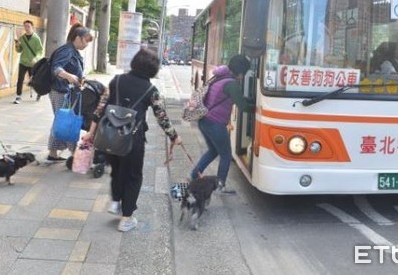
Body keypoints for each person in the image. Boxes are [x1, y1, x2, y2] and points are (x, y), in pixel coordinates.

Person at [83, 48, 183, 232]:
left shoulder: (116, 80)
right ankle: (126, 218)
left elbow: (100, 108)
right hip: (132, 140)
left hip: (110, 136)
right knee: (133, 176)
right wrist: (174, 137)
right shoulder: (151, 90)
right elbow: (161, 116)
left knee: (117, 170)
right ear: (152, 69)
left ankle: (115, 202)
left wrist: (90, 133)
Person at [189, 54, 255, 193]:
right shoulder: (232, 83)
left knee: (213, 151)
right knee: (225, 155)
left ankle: (194, 175)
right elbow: (242, 106)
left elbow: (236, 98)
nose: (243, 76)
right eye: (244, 73)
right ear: (240, 71)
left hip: (204, 120)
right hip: (215, 124)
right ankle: (220, 186)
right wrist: (258, 108)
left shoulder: (220, 77)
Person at [46, 23, 93, 161]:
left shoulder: (72, 51)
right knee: (66, 121)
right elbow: (56, 68)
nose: (86, 45)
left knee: (63, 121)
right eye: (86, 41)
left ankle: (54, 153)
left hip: (66, 91)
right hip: (61, 91)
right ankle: (73, 154)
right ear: (77, 38)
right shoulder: (66, 50)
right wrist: (70, 77)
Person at [13, 20, 43, 104]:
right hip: (23, 62)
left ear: (32, 27)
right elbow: (19, 50)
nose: (26, 28)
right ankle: (18, 96)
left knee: (34, 80)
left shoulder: (36, 38)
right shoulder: (22, 38)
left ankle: (39, 93)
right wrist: (17, 45)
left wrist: (36, 58)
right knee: (20, 79)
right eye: (25, 26)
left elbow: (40, 51)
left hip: (32, 63)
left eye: (28, 26)